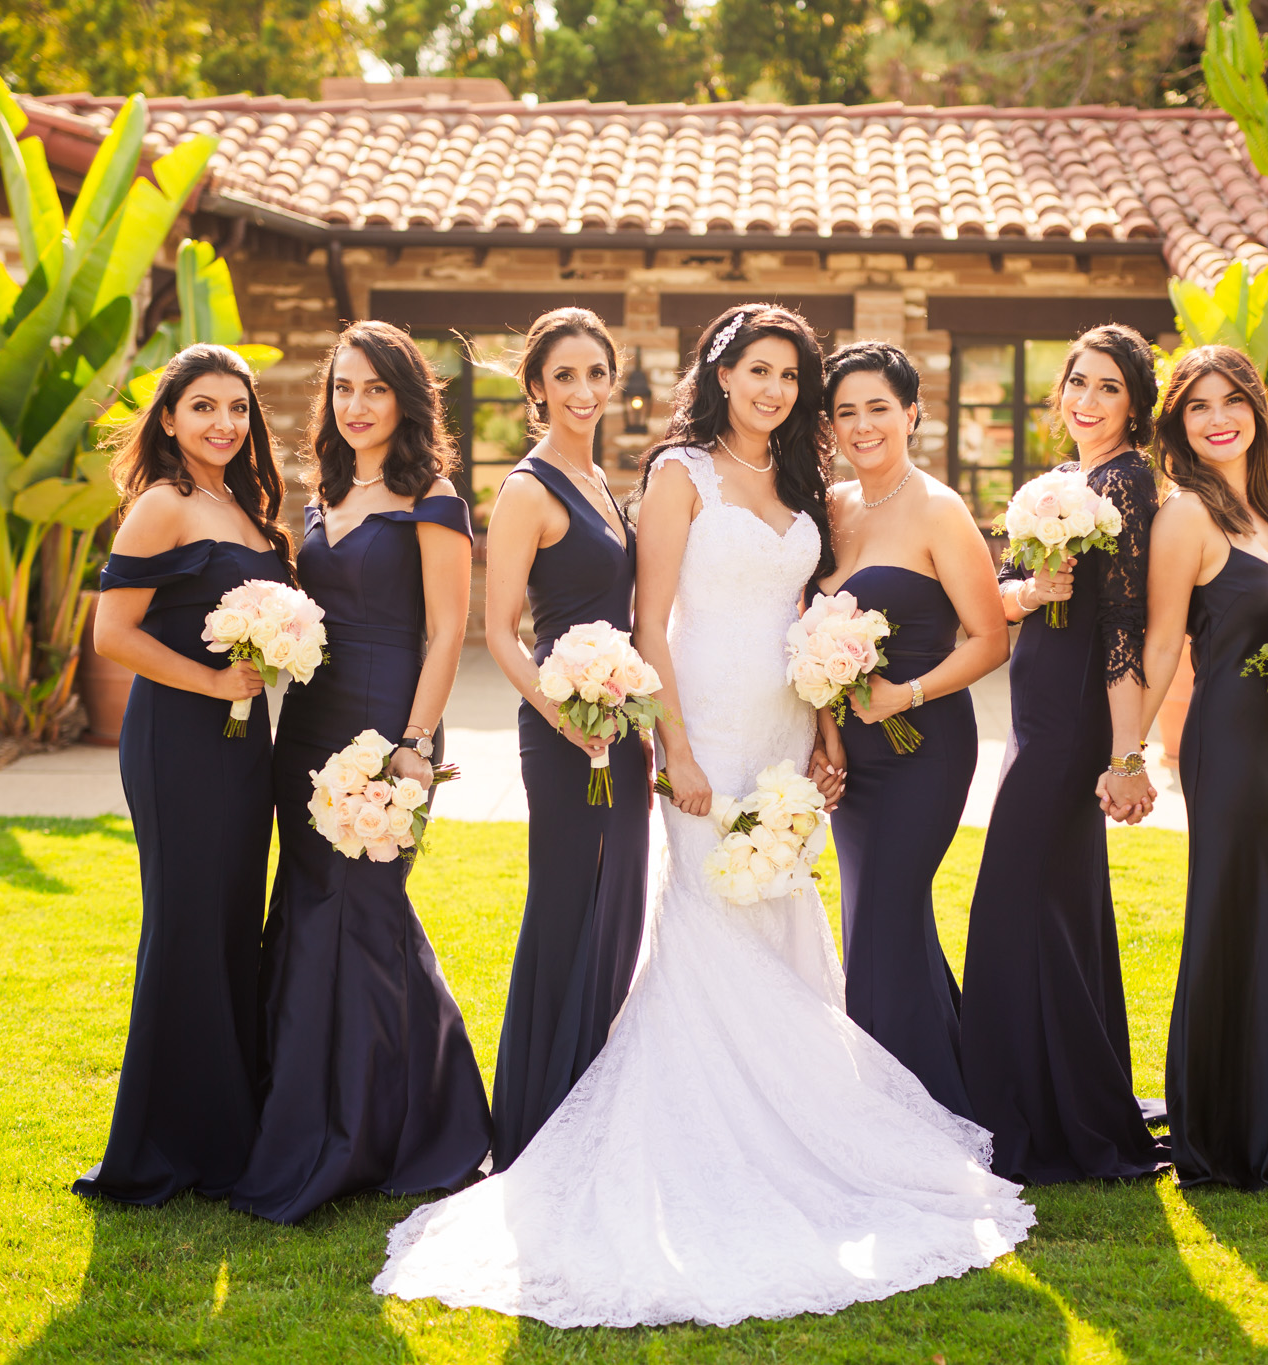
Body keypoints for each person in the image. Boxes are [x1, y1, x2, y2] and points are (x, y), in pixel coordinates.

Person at [371, 306, 1032, 1329]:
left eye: (786, 375)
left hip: (783, 724)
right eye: (754, 369)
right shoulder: (679, 473)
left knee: (776, 914)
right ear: (721, 374)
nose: (771, 388)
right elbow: (649, 622)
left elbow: (814, 616)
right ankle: (707, 1141)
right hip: (705, 729)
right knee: (707, 921)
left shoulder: (806, 486)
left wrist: (821, 725)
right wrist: (671, 746)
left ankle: (796, 1127)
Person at [228, 321, 492, 1223]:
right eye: (343, 388)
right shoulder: (323, 492)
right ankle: (303, 1115)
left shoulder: (435, 496)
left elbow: (451, 627)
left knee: (367, 915)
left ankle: (409, 1127)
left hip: (390, 724)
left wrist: (416, 744)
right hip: (309, 723)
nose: (357, 405)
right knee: (308, 916)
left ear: (406, 398)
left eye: (375, 388)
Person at [74, 344, 293, 1206]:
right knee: (187, 923)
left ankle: (228, 1128)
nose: (224, 424)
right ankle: (164, 1144)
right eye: (204, 407)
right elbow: (112, 636)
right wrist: (212, 680)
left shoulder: (245, 503)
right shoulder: (161, 505)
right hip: (179, 738)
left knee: (233, 922)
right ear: (169, 418)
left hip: (246, 741)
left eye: (238, 409)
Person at [959, 324, 1171, 1184]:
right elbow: (1014, 595)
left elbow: (1124, 629)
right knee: (1052, 908)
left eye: (1108, 387)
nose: (1086, 399)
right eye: (1077, 383)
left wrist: (1126, 754)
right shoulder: (1063, 483)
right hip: (1033, 712)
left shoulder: (1125, 484)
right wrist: (1021, 590)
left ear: (1135, 406)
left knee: (1013, 901)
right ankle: (1065, 1100)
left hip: (1073, 719)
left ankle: (1027, 1115)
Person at [1137, 344, 1268, 1190]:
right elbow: (1161, 644)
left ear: (1256, 409)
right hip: (1231, 747)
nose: (1218, 419)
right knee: (1227, 918)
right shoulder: (1186, 516)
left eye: (1232, 401)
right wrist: (1125, 753)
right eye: (1197, 406)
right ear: (1178, 423)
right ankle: (1216, 1133)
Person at [815, 340, 1007, 1121]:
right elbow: (812, 638)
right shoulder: (830, 507)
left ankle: (902, 1119)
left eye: (879, 409)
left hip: (925, 748)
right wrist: (828, 737)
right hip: (855, 758)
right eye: (847, 412)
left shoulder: (939, 507)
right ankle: (949, 1090)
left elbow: (991, 637)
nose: (864, 425)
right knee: (879, 924)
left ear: (912, 414)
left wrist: (906, 695)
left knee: (885, 925)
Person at [481, 307, 648, 1172]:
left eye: (595, 374)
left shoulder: (602, 484)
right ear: (538, 389)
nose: (582, 391)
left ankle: (594, 1097)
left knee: (618, 903)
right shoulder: (528, 488)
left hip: (622, 726)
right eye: (563, 377)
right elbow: (500, 628)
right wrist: (562, 715)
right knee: (563, 905)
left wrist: (626, 717)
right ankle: (536, 1116)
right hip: (562, 730)